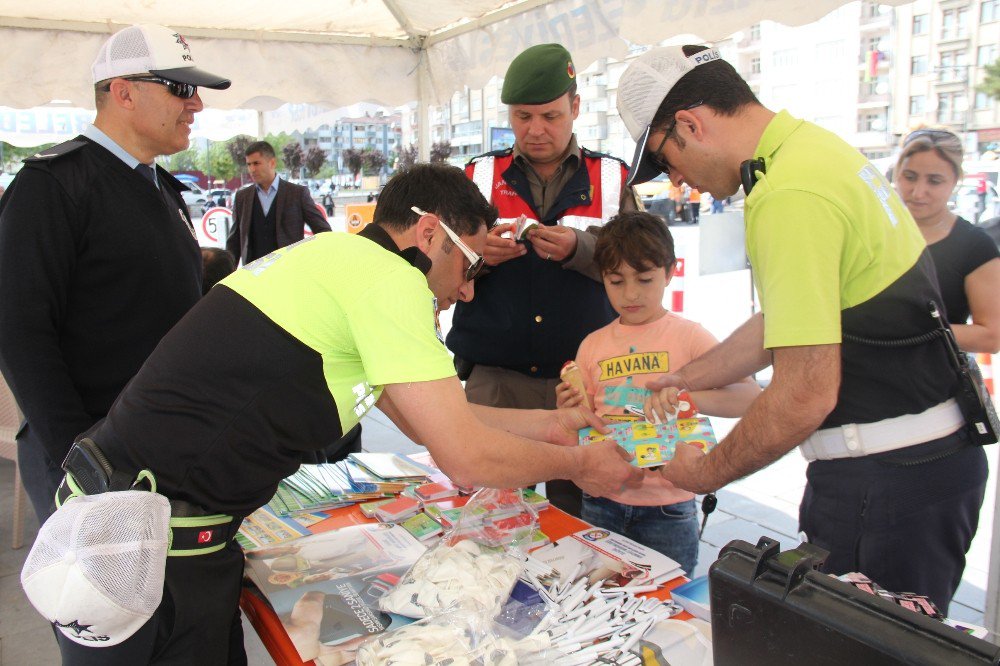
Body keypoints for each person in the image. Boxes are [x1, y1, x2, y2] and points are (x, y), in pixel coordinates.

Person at [47, 163, 642, 664]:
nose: (465, 292)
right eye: (471, 267)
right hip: (152, 550)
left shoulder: (339, 257)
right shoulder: (390, 281)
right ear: (431, 235)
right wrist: (584, 465)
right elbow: (465, 454)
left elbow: (434, 416)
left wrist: (555, 426)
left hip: (131, 519)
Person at [616, 45, 986, 613]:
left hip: (885, 480)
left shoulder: (789, 193)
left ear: (690, 124)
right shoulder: (813, 151)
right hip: (920, 468)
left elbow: (805, 392)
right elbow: (789, 318)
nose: (678, 182)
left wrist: (702, 472)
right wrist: (684, 377)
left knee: (858, 648)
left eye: (666, 161)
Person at [0, 24, 230, 523]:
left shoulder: (162, 189)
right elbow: (20, 331)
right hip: (93, 464)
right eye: (181, 88)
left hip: (163, 448)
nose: (196, 105)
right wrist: (80, 457)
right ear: (123, 92)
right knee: (104, 600)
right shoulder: (53, 185)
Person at [447, 43, 638, 517]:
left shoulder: (612, 178)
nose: (535, 130)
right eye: (522, 116)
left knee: (582, 511)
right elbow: (439, 263)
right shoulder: (476, 175)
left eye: (550, 116)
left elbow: (640, 266)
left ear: (575, 107)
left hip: (585, 382)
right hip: (495, 382)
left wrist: (581, 249)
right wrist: (478, 256)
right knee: (488, 510)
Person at [555, 211, 759, 574]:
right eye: (616, 281)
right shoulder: (592, 345)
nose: (631, 294)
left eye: (645, 279)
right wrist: (568, 408)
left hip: (669, 505)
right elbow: (581, 422)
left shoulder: (690, 336)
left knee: (670, 598)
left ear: (670, 271)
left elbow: (748, 396)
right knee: (602, 594)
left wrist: (689, 399)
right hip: (603, 498)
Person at [893, 128, 1000, 354]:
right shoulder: (873, 233)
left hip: (934, 385)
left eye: (934, 181)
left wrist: (908, 330)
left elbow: (990, 337)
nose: (918, 192)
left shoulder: (975, 246)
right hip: (862, 381)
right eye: (910, 177)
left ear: (955, 182)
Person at [226, 141, 331, 265]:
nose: (252, 169)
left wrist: (310, 260)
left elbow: (324, 232)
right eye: (249, 164)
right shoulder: (242, 197)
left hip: (288, 274)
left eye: (256, 163)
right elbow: (234, 242)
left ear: (272, 163)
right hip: (253, 277)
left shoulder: (297, 194)